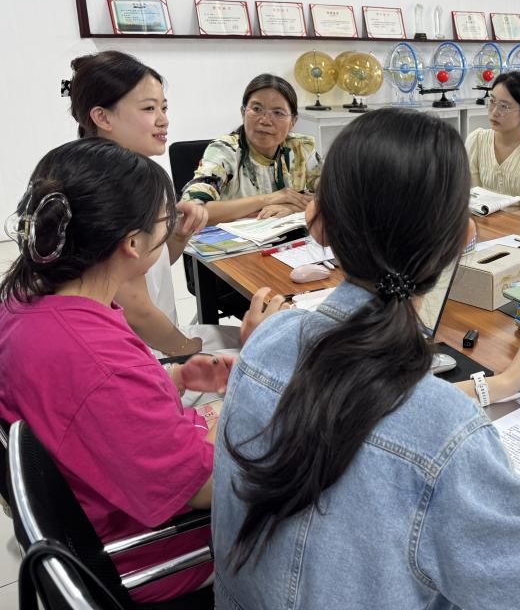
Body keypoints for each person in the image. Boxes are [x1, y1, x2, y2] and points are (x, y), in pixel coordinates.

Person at [213, 109, 520, 610]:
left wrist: (497, 385)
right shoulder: (445, 437)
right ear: (462, 239)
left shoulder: (265, 342)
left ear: (317, 222)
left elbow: (363, 406)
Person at [0, 139, 282, 603]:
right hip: (152, 555)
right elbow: (206, 488)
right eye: (164, 221)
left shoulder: (29, 301)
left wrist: (174, 380)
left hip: (99, 504)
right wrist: (257, 366)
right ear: (132, 244)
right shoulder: (95, 362)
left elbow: (95, 409)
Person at [68, 50, 230, 357]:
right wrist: (188, 351)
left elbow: (149, 267)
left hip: (154, 341)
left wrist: (177, 236)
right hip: (134, 354)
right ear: (102, 117)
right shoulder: (110, 188)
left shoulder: (140, 174)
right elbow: (136, 310)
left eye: (163, 107)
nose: (163, 120)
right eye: (148, 108)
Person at [181, 74, 321, 225]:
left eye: (278, 112)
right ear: (243, 113)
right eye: (256, 109)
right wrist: (269, 199)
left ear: (293, 121)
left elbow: (334, 194)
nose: (265, 120)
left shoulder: (301, 148)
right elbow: (192, 209)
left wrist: (290, 207)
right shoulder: (225, 151)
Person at [465, 70, 520, 204]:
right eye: (492, 101)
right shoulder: (476, 141)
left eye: (504, 106)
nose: (494, 112)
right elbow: (470, 198)